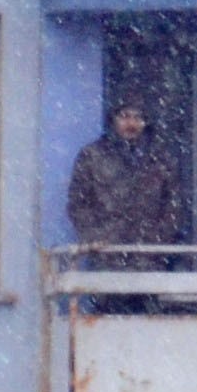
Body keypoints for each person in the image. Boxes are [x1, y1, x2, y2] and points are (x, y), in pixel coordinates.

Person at [63, 94, 186, 290]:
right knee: (107, 315)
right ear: (113, 119)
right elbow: (78, 202)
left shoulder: (161, 159)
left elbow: (173, 205)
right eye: (125, 116)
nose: (132, 123)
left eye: (138, 117)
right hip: (107, 258)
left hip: (149, 260)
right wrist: (95, 236)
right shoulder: (92, 156)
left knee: (147, 315)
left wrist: (157, 240)